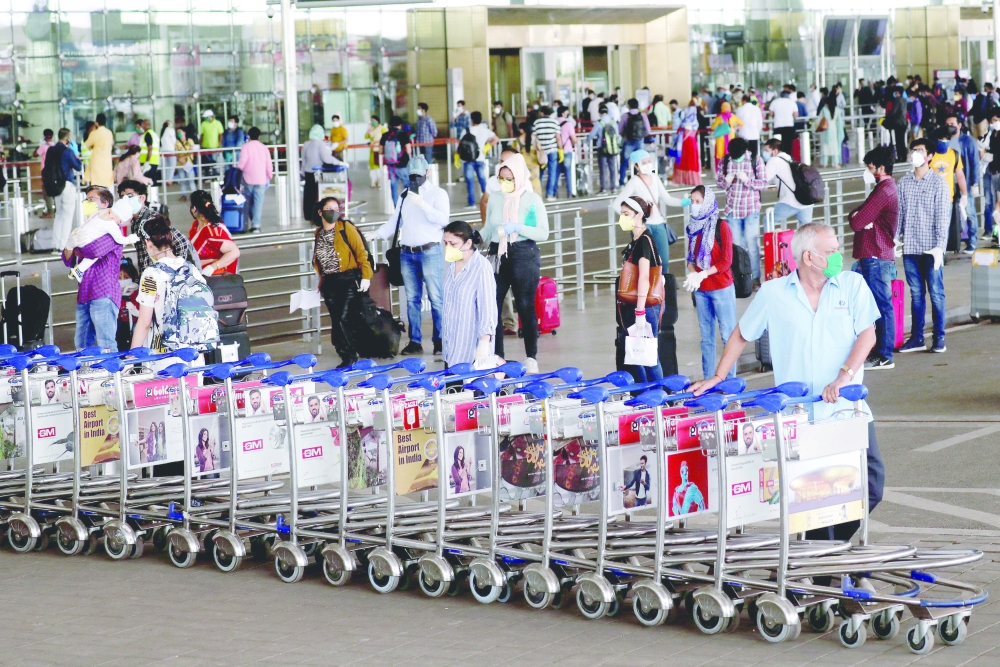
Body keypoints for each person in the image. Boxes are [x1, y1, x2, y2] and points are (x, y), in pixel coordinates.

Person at [691, 222, 884, 542]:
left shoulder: (852, 284)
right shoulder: (774, 293)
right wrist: (719, 376)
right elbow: (741, 334)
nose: (838, 256)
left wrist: (844, 374)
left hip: (847, 410)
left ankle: (831, 548)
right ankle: (821, 568)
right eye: (831, 251)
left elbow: (868, 333)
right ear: (809, 257)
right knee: (810, 498)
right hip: (799, 416)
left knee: (871, 485)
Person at [482, 154, 549, 373]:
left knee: (525, 305)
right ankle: (498, 355)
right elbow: (489, 228)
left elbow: (543, 233)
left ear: (518, 177)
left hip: (524, 253)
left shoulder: (531, 200)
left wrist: (517, 227)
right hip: (497, 252)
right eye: (501, 178)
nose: (504, 183)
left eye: (508, 178)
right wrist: (472, 237)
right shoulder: (495, 198)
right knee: (493, 305)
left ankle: (531, 356)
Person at [375, 156, 448, 355]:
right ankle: (415, 341)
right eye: (411, 175)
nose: (415, 178)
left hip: (430, 251)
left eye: (418, 174)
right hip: (407, 253)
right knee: (412, 299)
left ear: (427, 173)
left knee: (436, 298)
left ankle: (440, 340)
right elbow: (394, 222)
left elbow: (443, 220)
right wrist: (377, 234)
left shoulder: (437, 194)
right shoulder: (404, 195)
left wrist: (423, 204)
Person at [897, 139, 951, 354]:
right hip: (910, 247)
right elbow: (899, 214)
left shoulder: (939, 184)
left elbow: (943, 219)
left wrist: (940, 247)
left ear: (929, 156)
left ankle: (939, 338)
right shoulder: (903, 183)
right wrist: (894, 238)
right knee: (916, 293)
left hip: (931, 249)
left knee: (936, 293)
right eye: (913, 151)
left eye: (920, 151)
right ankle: (917, 338)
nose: (915, 154)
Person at [848, 146, 899, 371]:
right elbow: (856, 215)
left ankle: (884, 355)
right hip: (876, 254)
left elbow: (856, 221)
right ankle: (879, 352)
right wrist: (859, 216)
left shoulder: (883, 191)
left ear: (880, 167)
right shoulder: (884, 188)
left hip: (875, 253)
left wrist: (860, 218)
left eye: (869, 167)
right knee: (878, 305)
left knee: (880, 306)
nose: (867, 171)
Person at [64, 188, 131, 351]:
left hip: (104, 292)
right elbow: (67, 259)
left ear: (105, 204)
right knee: (81, 344)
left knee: (106, 342)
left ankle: (112, 375)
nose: (87, 203)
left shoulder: (111, 229)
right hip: (85, 293)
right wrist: (69, 245)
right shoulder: (87, 227)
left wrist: (74, 245)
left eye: (91, 199)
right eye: (86, 199)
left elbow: (94, 250)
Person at [312, 197, 373, 368]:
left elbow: (362, 253)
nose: (333, 211)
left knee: (342, 317)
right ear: (320, 212)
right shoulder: (318, 233)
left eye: (336, 208)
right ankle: (346, 351)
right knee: (336, 318)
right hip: (329, 282)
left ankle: (349, 355)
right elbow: (319, 261)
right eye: (329, 208)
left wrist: (366, 276)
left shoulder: (346, 228)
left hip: (348, 279)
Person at [684, 186, 736, 381]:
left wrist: (703, 274)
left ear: (707, 202)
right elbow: (691, 259)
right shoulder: (693, 227)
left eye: (698, 202)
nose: (694, 206)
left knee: (727, 337)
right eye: (692, 202)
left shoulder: (721, 227)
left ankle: (729, 381)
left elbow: (726, 261)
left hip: (721, 288)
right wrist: (692, 274)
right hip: (702, 290)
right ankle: (708, 380)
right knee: (706, 339)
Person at [614, 196, 663, 384]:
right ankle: (646, 395)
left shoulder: (644, 240)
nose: (622, 218)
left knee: (649, 357)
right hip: (634, 305)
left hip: (644, 307)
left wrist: (640, 311)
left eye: (626, 214)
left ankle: (660, 399)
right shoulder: (635, 240)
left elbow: (644, 276)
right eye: (622, 214)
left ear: (639, 215)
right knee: (636, 356)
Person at [441, 220, 497, 368]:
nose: (448, 247)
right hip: (451, 348)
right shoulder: (451, 264)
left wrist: (484, 342)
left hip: (471, 351)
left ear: (467, 244)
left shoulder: (481, 268)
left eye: (453, 244)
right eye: (445, 243)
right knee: (452, 389)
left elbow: (488, 307)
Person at [613, 149, 686, 261]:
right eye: (644, 162)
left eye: (649, 161)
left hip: (659, 224)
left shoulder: (655, 178)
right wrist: (633, 220)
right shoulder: (634, 181)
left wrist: (685, 202)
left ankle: (663, 279)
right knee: (645, 262)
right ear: (637, 166)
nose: (647, 165)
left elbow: (667, 199)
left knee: (663, 261)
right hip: (643, 227)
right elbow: (616, 204)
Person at [719, 138, 767, 284]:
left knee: (752, 244)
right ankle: (740, 278)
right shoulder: (725, 161)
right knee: (736, 246)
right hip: (733, 209)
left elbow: (764, 184)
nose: (736, 159)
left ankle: (755, 278)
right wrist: (726, 181)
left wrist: (747, 180)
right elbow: (720, 185)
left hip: (751, 208)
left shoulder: (755, 160)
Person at [119, 179, 192, 273]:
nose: (126, 200)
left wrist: (175, 270)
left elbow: (182, 242)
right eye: (122, 197)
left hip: (160, 277)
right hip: (150, 279)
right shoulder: (135, 222)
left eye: (130, 196)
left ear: (142, 198)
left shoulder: (151, 219)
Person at [944, 114, 979, 253]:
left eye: (952, 124)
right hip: (948, 183)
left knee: (969, 212)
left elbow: (974, 161)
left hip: (965, 181)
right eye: (947, 124)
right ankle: (950, 243)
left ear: (959, 125)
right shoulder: (943, 141)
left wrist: (975, 182)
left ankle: (972, 241)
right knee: (947, 214)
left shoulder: (968, 141)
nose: (949, 127)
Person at [762, 138, 813, 226]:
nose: (764, 153)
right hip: (806, 200)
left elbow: (763, 179)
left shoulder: (774, 160)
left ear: (775, 151)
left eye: (767, 150)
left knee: (768, 220)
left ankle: (771, 240)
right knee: (806, 231)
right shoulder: (789, 158)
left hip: (791, 201)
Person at [188, 190, 240, 276]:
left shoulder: (213, 232)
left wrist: (212, 267)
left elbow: (234, 252)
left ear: (194, 209)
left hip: (217, 278)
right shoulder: (196, 226)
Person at [49, 128, 83, 251]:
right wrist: (76, 153)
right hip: (67, 184)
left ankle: (55, 245)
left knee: (59, 215)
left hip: (56, 186)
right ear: (68, 137)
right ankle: (63, 245)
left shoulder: (51, 150)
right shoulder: (67, 151)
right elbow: (78, 166)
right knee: (67, 216)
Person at [301, 124, 345, 216]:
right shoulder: (321, 144)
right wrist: (339, 162)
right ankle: (316, 214)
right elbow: (326, 158)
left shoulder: (306, 144)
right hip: (317, 173)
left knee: (308, 194)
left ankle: (307, 214)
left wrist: (302, 172)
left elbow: (303, 160)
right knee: (317, 194)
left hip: (307, 172)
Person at [237, 127, 273, 234]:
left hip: (248, 178)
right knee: (258, 202)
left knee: (247, 202)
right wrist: (269, 175)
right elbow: (268, 164)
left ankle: (246, 223)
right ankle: (256, 225)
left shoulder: (245, 147)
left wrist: (238, 171)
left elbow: (242, 162)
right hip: (261, 178)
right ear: (259, 136)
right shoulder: (264, 148)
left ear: (248, 136)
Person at [462, 111, 498, 207]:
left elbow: (460, 144)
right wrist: (487, 147)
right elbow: (496, 139)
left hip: (468, 160)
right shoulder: (485, 130)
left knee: (470, 181)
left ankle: (471, 203)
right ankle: (489, 200)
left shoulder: (466, 130)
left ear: (471, 120)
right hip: (480, 158)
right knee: (483, 180)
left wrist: (457, 157)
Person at [618, 98, 651, 186]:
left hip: (628, 141)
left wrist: (624, 135)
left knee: (624, 162)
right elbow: (648, 130)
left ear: (629, 106)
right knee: (640, 161)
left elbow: (620, 129)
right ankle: (641, 180)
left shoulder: (625, 116)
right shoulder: (643, 115)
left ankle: (622, 181)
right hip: (640, 141)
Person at [529, 107, 560, 201]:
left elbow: (533, 138)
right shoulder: (554, 122)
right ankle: (550, 194)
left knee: (540, 173)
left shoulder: (537, 123)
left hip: (540, 152)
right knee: (552, 172)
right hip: (552, 150)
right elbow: (558, 138)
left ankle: (538, 193)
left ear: (542, 113)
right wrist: (561, 149)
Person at [589, 105, 619, 194]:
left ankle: (603, 189)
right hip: (613, 148)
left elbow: (592, 135)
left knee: (602, 169)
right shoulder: (613, 122)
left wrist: (587, 142)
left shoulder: (599, 122)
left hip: (602, 148)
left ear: (599, 113)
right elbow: (617, 135)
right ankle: (613, 187)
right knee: (612, 168)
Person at [381, 116, 412, 202]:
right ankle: (412, 207)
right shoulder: (403, 134)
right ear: (400, 124)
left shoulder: (385, 135)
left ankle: (397, 210)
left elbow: (380, 151)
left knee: (394, 189)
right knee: (410, 187)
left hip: (391, 166)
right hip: (402, 165)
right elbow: (409, 151)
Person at [671, 100, 702, 185]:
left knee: (683, 161)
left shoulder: (685, 123)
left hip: (685, 145)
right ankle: (691, 179)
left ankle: (682, 179)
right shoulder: (695, 122)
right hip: (693, 144)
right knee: (692, 162)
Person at [710, 102, 742, 180]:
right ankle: (730, 172)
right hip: (731, 139)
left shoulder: (719, 117)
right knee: (731, 155)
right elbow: (742, 123)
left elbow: (713, 127)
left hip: (720, 140)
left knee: (720, 156)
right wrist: (734, 128)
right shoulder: (733, 116)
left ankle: (719, 173)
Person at [83, 113, 114, 189]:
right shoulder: (109, 133)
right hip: (107, 162)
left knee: (96, 185)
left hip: (97, 163)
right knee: (106, 185)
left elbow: (87, 145)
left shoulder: (94, 133)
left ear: (96, 123)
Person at [983, 108, 1000, 241]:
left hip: (998, 172)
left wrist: (993, 156)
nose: (996, 122)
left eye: (998, 120)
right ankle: (989, 230)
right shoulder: (991, 133)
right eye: (994, 120)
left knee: (997, 203)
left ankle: (996, 232)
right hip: (990, 170)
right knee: (989, 202)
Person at [117, 257, 140, 352]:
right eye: (119, 278)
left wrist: (134, 310)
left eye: (126, 278)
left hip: (134, 324)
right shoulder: (115, 294)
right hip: (121, 325)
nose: (122, 280)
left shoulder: (137, 293)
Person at [815, 95, 843, 168]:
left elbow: (818, 120)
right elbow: (840, 122)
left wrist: (815, 127)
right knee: (835, 147)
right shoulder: (837, 110)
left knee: (825, 147)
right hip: (835, 131)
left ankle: (824, 163)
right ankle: (836, 163)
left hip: (826, 130)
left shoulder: (824, 110)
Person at [768, 90, 799, 155]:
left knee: (777, 144)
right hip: (789, 126)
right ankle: (787, 158)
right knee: (788, 145)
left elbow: (770, 114)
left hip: (778, 125)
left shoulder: (774, 102)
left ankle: (778, 157)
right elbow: (796, 115)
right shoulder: (792, 102)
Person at [556, 106, 577, 197]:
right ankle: (569, 192)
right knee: (568, 172)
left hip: (557, 150)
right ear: (563, 113)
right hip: (567, 150)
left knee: (555, 173)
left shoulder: (554, 122)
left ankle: (554, 192)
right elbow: (573, 138)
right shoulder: (569, 124)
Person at [35, 129, 56, 218]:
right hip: (55, 171)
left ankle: (50, 211)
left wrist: (39, 145)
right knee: (55, 190)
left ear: (44, 136)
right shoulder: (55, 145)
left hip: (46, 171)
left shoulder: (43, 146)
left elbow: (35, 154)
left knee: (46, 192)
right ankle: (55, 210)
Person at [735, 97, 763, 161]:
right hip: (754, 135)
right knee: (754, 155)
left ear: (743, 101)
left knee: (744, 155)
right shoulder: (756, 109)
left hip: (743, 134)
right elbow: (760, 123)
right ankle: (754, 168)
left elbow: (736, 122)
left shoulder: (740, 109)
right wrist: (757, 131)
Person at [198, 110, 224, 175]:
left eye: (207, 117)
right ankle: (207, 173)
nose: (206, 118)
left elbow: (220, 135)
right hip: (205, 146)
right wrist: (200, 144)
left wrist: (219, 144)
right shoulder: (204, 124)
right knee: (206, 162)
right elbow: (202, 135)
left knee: (214, 161)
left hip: (214, 147)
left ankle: (214, 173)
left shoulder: (218, 123)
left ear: (211, 116)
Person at [365, 115, 387, 189]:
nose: (373, 122)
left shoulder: (382, 128)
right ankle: (373, 182)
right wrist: (368, 129)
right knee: (372, 165)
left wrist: (375, 141)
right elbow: (366, 137)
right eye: (372, 121)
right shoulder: (371, 129)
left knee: (379, 165)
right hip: (372, 150)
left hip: (379, 149)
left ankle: (380, 181)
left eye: (374, 120)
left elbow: (385, 137)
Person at [174, 129, 196, 200]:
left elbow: (191, 151)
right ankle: (183, 195)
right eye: (177, 132)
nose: (179, 133)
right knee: (182, 181)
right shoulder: (177, 142)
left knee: (191, 180)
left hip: (188, 163)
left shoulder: (189, 141)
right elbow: (176, 152)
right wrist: (179, 159)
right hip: (180, 164)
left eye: (180, 132)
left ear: (184, 132)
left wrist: (183, 158)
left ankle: (195, 195)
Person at [137, 119, 160, 184]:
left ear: (145, 125)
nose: (141, 126)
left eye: (142, 125)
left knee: (146, 181)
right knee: (152, 180)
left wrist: (147, 161)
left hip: (148, 162)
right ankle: (154, 193)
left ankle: (150, 194)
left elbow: (150, 148)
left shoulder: (147, 134)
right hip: (154, 160)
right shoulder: (154, 133)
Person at [159, 121, 176, 186]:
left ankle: (164, 180)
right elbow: (173, 140)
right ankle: (169, 180)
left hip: (163, 150)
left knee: (165, 166)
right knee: (172, 165)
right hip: (170, 150)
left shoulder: (162, 131)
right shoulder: (170, 130)